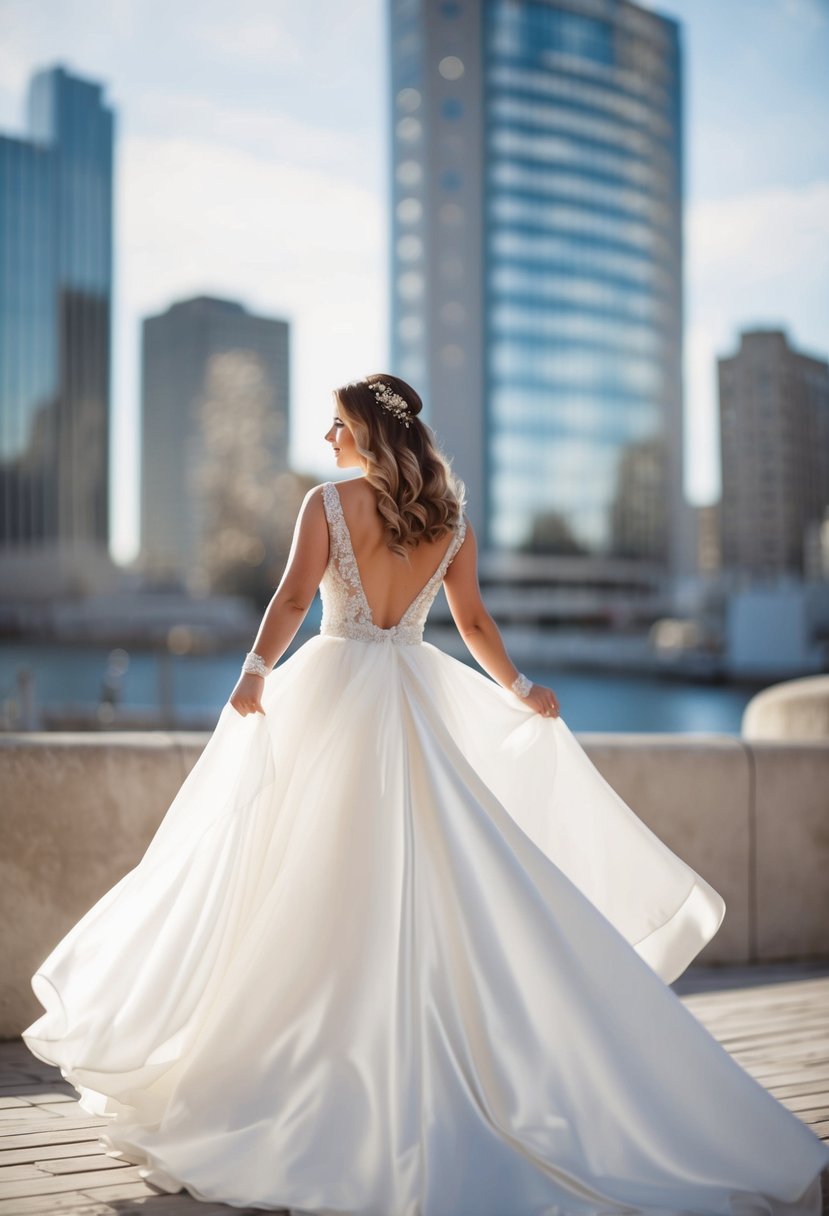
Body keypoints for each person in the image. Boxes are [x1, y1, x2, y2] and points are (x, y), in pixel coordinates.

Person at [23, 374, 829, 1215]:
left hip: (330, 692)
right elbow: (474, 624)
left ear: (370, 433)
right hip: (410, 698)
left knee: (293, 879)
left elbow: (295, 597)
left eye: (337, 425)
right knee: (424, 883)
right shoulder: (448, 524)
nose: (327, 437)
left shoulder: (328, 505)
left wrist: (253, 673)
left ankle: (310, 1073)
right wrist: (521, 688)